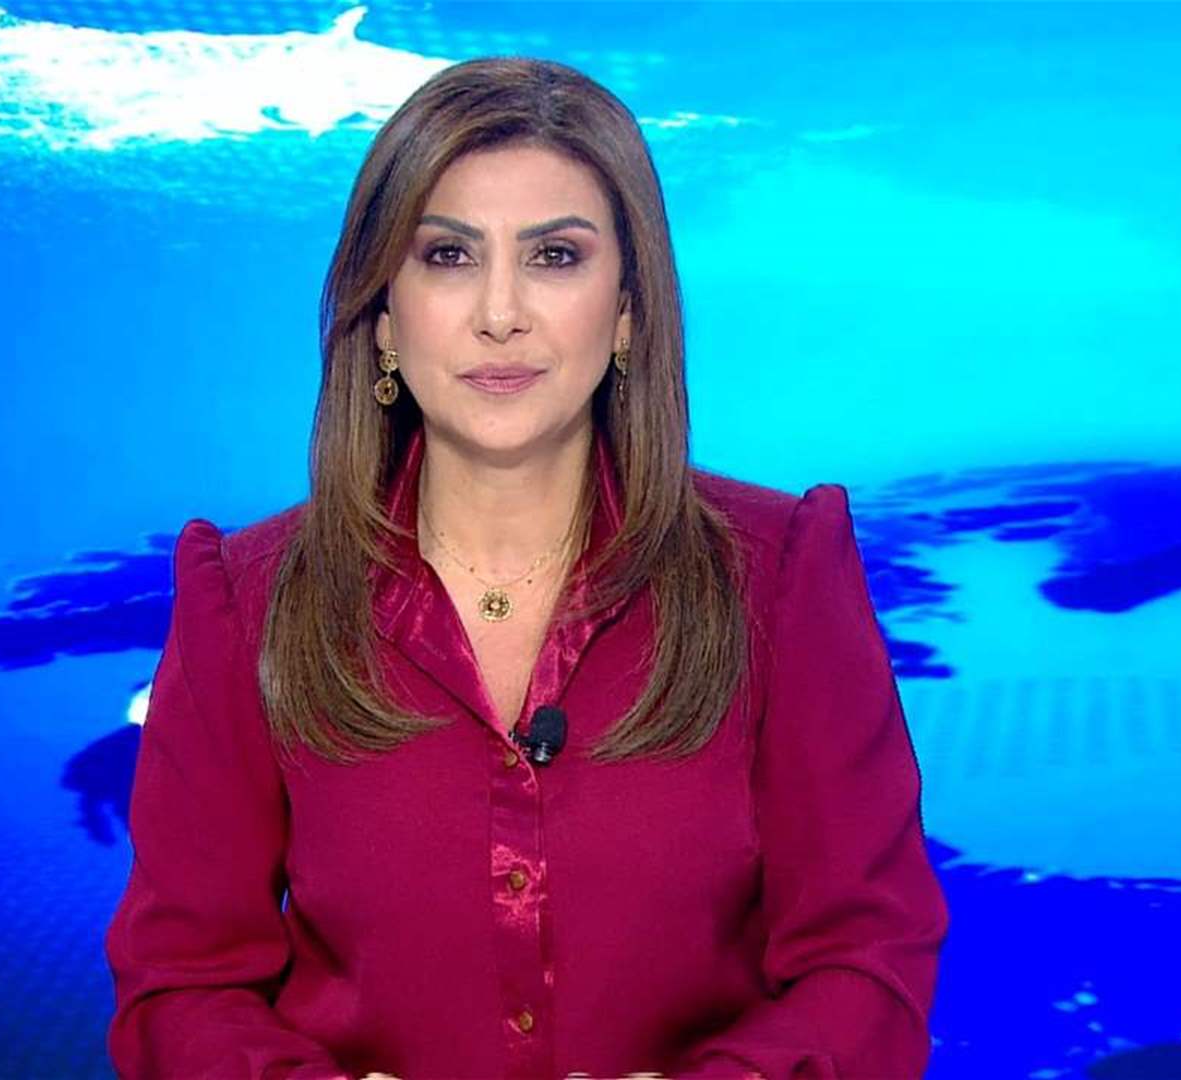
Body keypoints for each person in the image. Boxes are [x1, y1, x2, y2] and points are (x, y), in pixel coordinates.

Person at [104, 56, 949, 1080]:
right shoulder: (246, 602)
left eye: (554, 256)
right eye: (447, 256)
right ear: (382, 316)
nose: (500, 312)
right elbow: (180, 986)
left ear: (627, 309)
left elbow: (869, 961)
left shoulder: (779, 575)